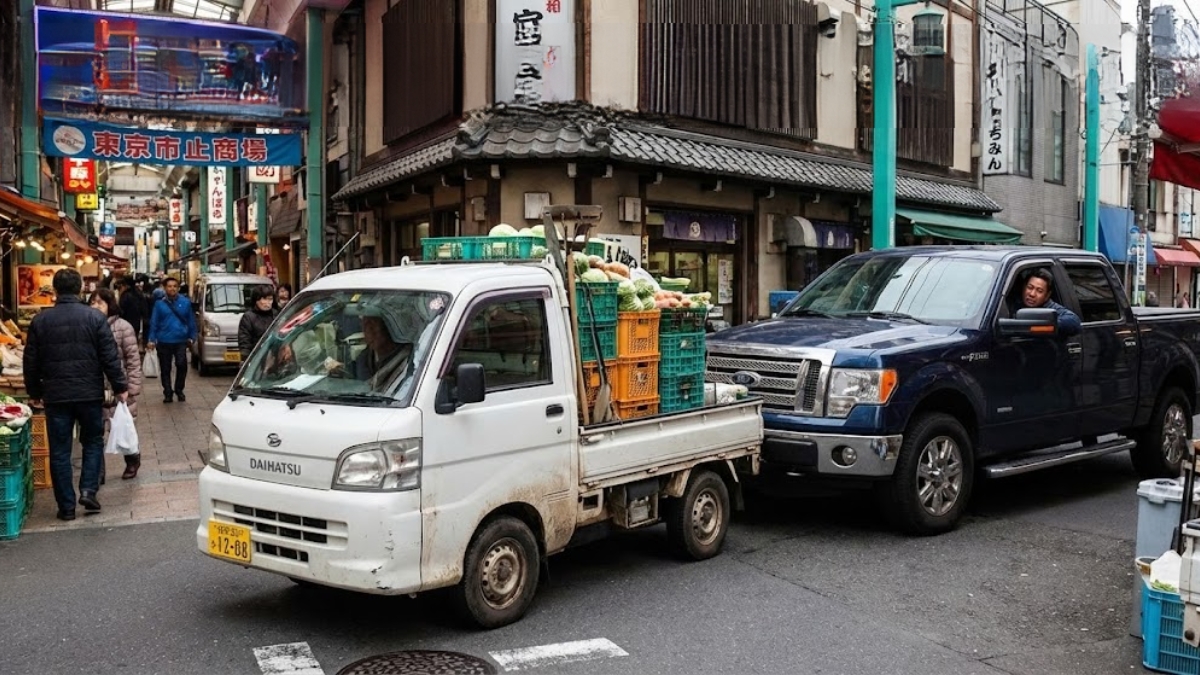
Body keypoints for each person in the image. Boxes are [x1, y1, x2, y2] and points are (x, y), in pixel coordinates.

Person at [23, 269, 128, 521]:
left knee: (60, 450)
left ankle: (66, 507)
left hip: (56, 396)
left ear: (55, 290)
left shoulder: (40, 321)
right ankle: (89, 490)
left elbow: (31, 361)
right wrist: (120, 386)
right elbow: (109, 357)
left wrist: (34, 391)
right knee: (92, 441)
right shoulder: (95, 318)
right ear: (80, 288)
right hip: (89, 394)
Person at [89, 288, 143, 480]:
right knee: (96, 433)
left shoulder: (123, 327)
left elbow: (133, 359)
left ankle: (132, 459)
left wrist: (132, 387)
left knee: (124, 426)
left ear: (109, 305)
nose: (95, 306)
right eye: (92, 302)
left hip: (120, 388)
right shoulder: (88, 325)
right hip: (95, 387)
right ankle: (98, 472)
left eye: (100, 303)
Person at [146, 277, 197, 404]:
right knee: (165, 368)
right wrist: (151, 339)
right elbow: (154, 322)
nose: (172, 288)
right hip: (163, 341)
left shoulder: (185, 302)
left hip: (181, 340)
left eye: (175, 286)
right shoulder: (159, 304)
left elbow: (191, 320)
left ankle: (179, 389)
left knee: (181, 365)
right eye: (169, 286)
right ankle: (168, 392)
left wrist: (192, 336)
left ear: (178, 288)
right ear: (165, 288)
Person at [351, 315, 412, 389]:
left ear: (388, 326)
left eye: (372, 326)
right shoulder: (363, 360)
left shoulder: (410, 358)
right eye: (365, 327)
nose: (369, 333)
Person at [1018, 269, 1081, 335]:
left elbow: (1074, 321)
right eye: (1030, 287)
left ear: (1047, 295)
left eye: (1039, 291)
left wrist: (1045, 325)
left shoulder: (1050, 307)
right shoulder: (1013, 303)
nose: (1032, 294)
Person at [238, 285, 277, 360]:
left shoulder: (276, 315)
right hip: (256, 358)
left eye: (270, 299)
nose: (267, 302)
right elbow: (245, 343)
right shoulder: (248, 317)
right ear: (256, 300)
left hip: (274, 357)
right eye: (264, 299)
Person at [117, 276, 146, 344]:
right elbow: (144, 309)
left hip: (126, 322)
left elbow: (121, 310)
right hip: (136, 322)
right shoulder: (139, 293)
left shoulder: (125, 295)